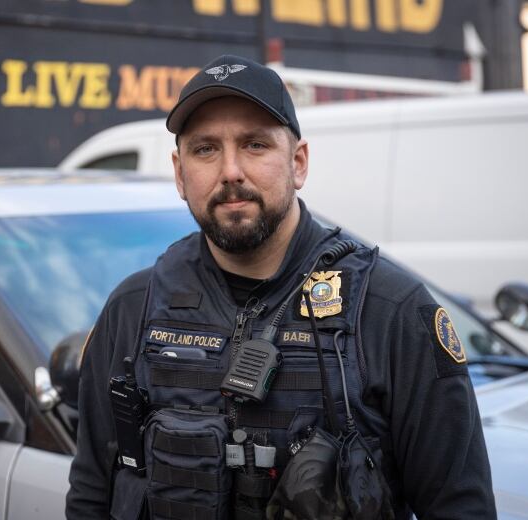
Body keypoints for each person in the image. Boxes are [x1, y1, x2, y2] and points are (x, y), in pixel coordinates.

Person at [66, 54, 495, 519]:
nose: (230, 171)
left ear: (298, 162)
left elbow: (460, 508)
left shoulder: (390, 311)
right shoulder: (133, 309)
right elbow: (92, 491)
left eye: (254, 145)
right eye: (205, 149)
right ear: (179, 173)